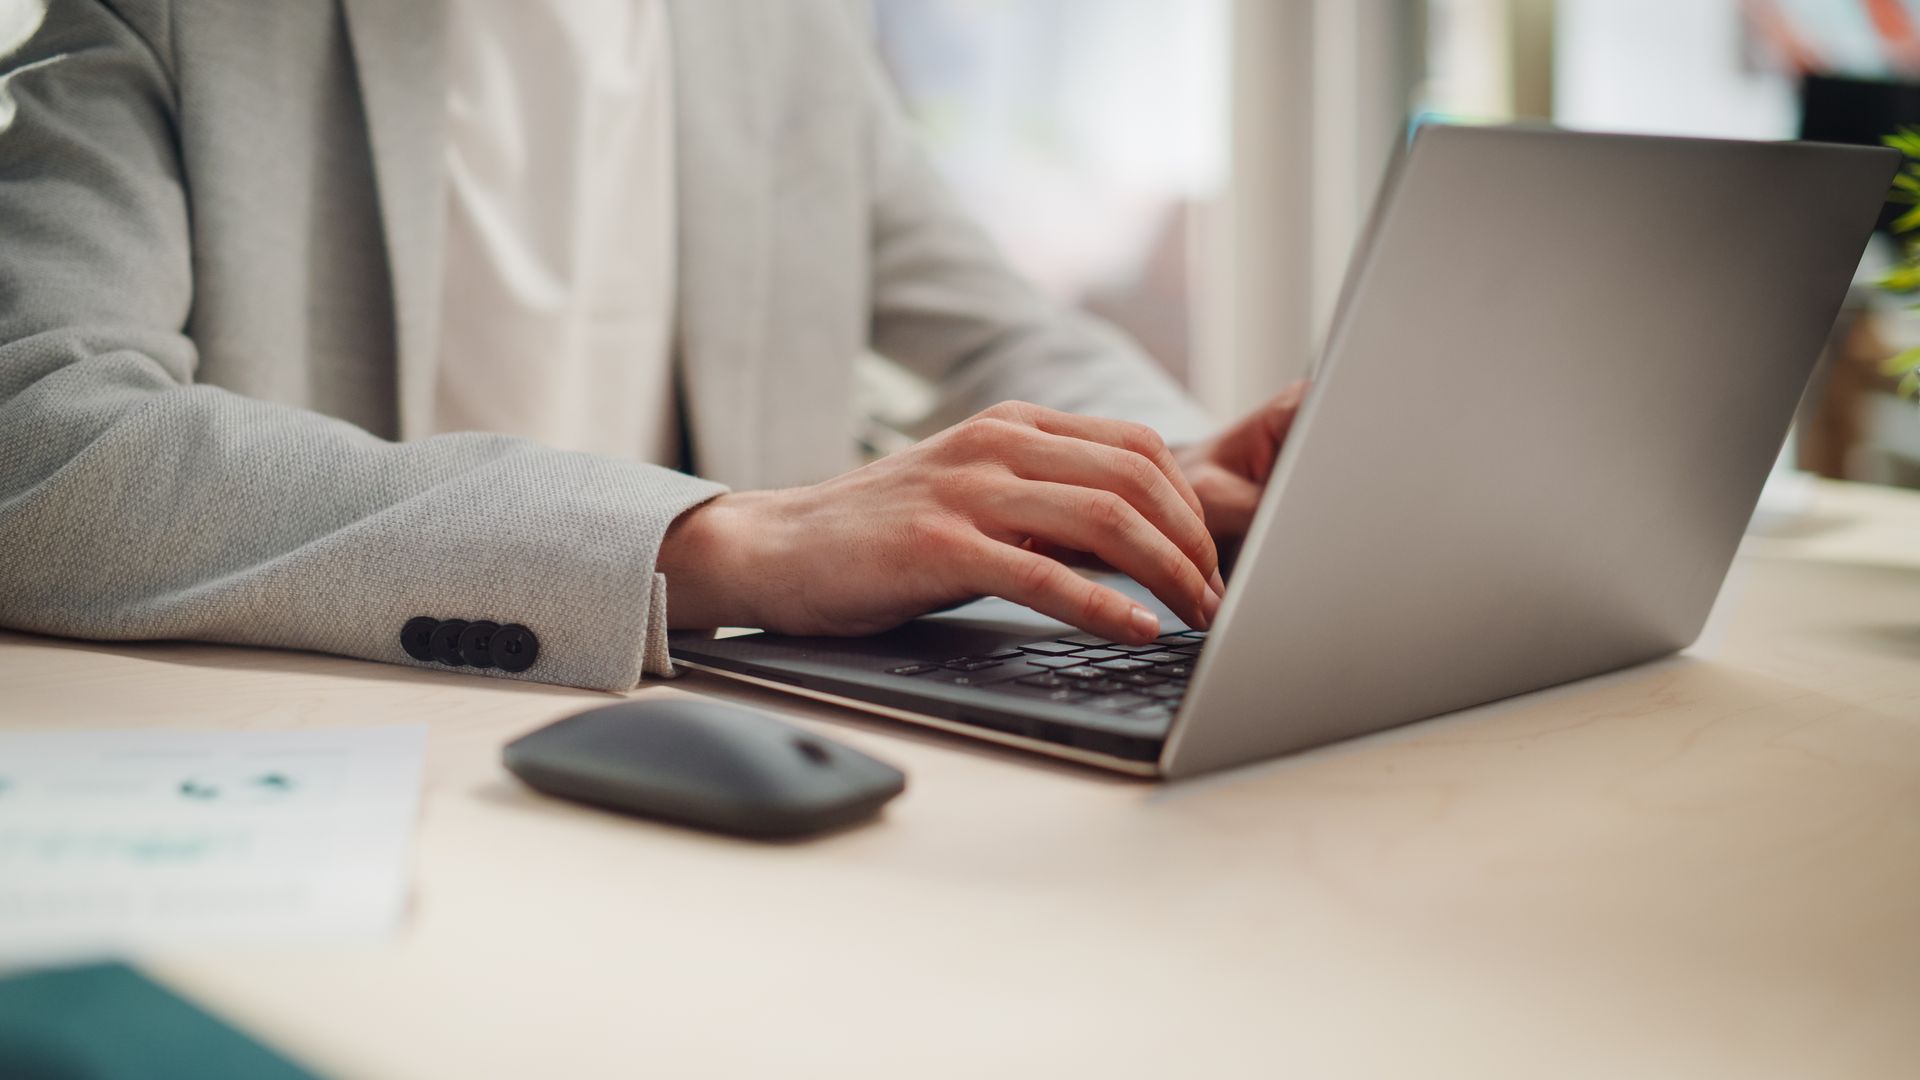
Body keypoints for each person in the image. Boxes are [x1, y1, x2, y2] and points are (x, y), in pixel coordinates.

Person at [0, 0, 1303, 692]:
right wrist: (712, 542)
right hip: (347, 753)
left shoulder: (784, 26)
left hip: (732, 749)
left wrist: (1163, 469)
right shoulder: (176, 15)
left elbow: (995, 319)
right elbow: (36, 435)